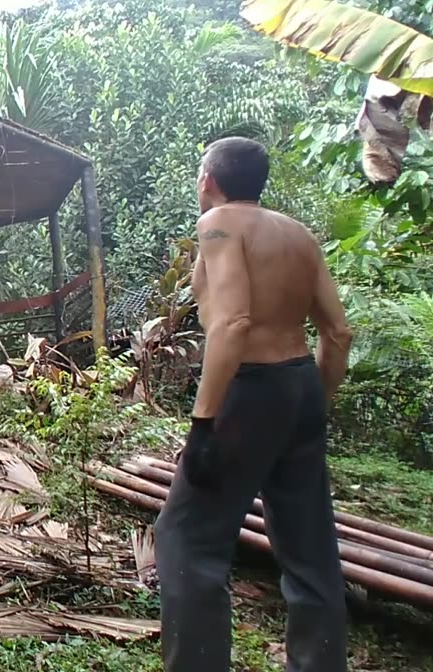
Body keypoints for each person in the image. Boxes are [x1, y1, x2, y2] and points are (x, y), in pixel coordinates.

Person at [153, 137, 353, 672]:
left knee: (185, 539)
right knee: (309, 549)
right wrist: (315, 407)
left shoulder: (219, 224)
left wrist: (202, 426)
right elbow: (338, 332)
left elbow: (234, 322)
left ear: (209, 181)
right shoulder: (298, 234)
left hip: (252, 390)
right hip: (300, 384)